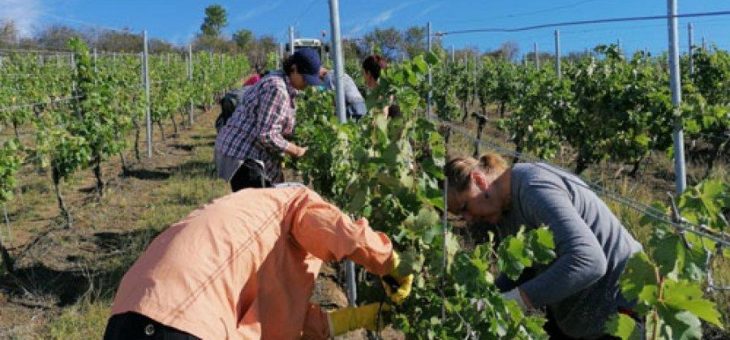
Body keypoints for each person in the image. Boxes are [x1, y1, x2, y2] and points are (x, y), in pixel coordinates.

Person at [103, 186, 414, 339]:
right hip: (182, 324)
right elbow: (339, 231)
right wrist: (390, 263)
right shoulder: (294, 202)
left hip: (124, 320)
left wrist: (357, 319)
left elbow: (279, 322)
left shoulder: (242, 222)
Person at [444, 153, 643, 339]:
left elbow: (590, 260)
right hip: (576, 313)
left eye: (464, 208)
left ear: (479, 181)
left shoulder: (533, 187)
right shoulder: (502, 210)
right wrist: (489, 299)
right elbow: (526, 266)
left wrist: (516, 299)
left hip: (620, 307)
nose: (468, 219)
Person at [215, 48, 320, 191]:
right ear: (294, 69)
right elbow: (267, 135)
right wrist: (296, 151)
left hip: (250, 152)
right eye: (305, 78)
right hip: (244, 155)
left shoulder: (281, 80)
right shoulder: (278, 89)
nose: (307, 84)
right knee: (256, 208)